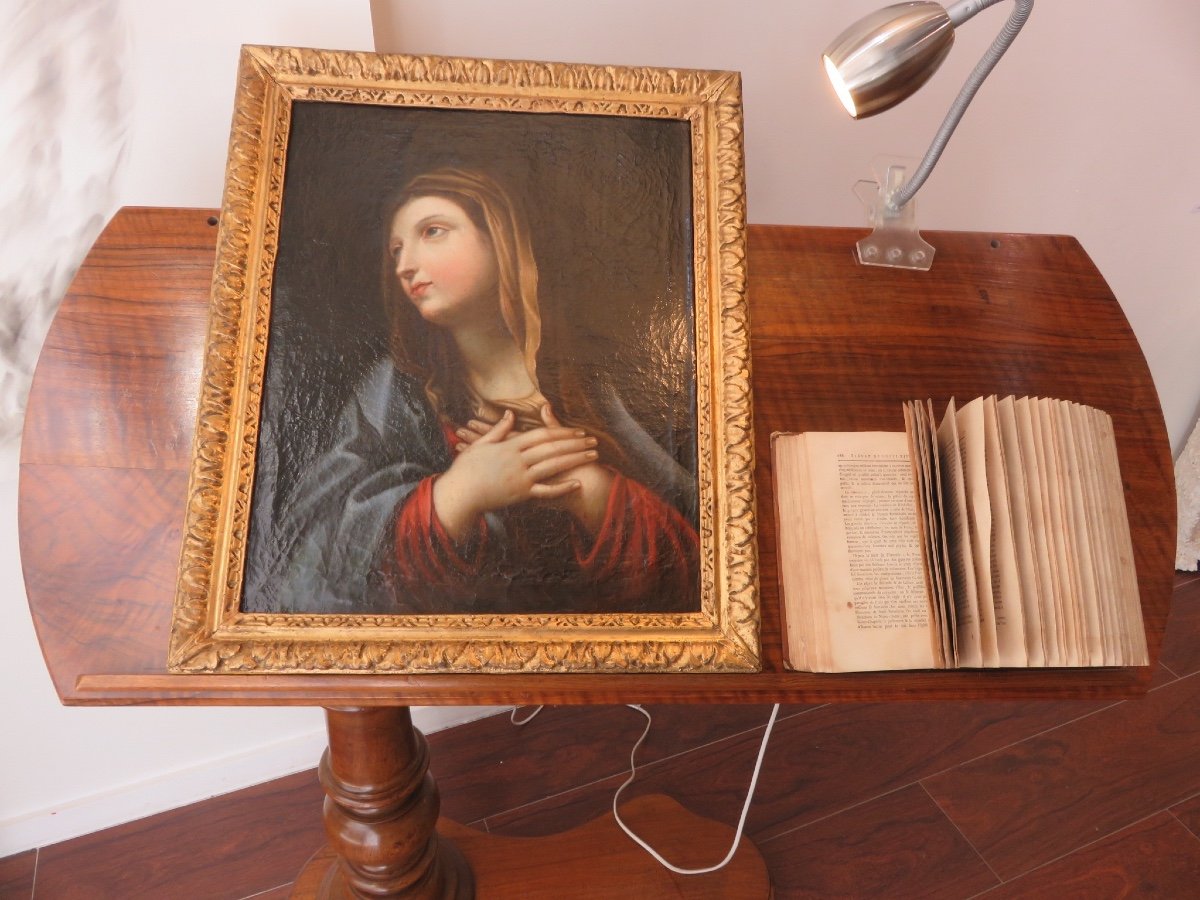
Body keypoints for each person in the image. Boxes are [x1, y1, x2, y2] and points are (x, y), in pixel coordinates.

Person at [246, 167, 699, 615]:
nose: (405, 266)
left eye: (433, 231)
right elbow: (308, 567)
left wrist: (591, 492)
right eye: (397, 250)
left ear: (498, 236)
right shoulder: (389, 395)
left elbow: (705, 569)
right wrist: (458, 495)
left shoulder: (603, 379)